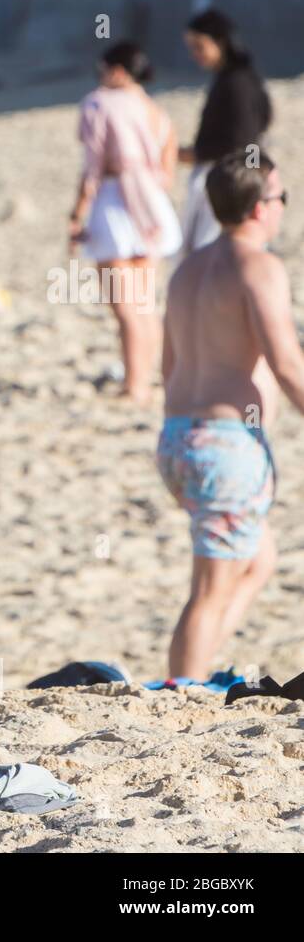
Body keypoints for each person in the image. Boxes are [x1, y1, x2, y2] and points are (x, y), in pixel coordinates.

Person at [158, 152, 295, 681]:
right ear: (260, 208)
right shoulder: (259, 266)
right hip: (224, 444)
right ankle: (181, 691)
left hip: (177, 438)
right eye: (281, 197)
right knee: (208, 594)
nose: (283, 207)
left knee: (259, 560)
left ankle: (198, 667)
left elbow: (168, 366)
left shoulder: (188, 269)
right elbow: (285, 361)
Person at [70, 42, 182, 404]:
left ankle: (134, 385)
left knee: (124, 305)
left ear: (117, 70)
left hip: (115, 203)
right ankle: (152, 379)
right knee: (145, 301)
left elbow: (93, 167)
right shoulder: (157, 111)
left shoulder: (100, 103)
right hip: (151, 204)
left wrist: (77, 213)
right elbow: (168, 167)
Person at [179, 8, 272, 256]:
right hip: (233, 177)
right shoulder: (234, 78)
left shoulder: (237, 83)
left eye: (199, 46)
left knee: (215, 254)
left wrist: (195, 154)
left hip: (227, 182)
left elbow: (245, 140)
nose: (195, 54)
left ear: (220, 42)